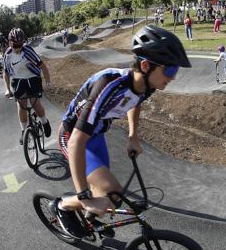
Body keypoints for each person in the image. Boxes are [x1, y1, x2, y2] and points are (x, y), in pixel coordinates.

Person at [51, 25, 191, 238]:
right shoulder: (108, 85)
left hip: (95, 136)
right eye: (170, 70)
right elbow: (76, 142)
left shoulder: (147, 85)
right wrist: (84, 196)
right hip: (72, 137)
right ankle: (61, 206)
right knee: (105, 192)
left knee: (113, 196)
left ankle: (89, 221)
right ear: (145, 65)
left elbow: (136, 102)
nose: (173, 77)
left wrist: (133, 136)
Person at [2, 27, 52, 144]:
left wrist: (48, 82)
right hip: (18, 80)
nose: (18, 48)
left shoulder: (28, 51)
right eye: (15, 46)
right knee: (21, 105)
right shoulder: (8, 55)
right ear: (10, 43)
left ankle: (44, 122)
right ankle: (24, 131)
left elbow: (42, 66)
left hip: (33, 78)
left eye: (20, 45)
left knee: (34, 102)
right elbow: (6, 72)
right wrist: (7, 89)